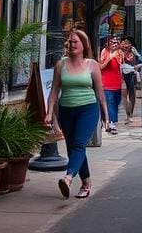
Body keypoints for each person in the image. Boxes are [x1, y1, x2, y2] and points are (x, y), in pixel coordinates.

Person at [45, 29, 109, 199]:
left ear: (83, 45)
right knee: (73, 147)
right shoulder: (61, 65)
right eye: (70, 42)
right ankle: (86, 183)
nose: (71, 45)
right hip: (66, 110)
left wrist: (106, 116)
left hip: (88, 109)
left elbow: (100, 93)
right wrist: (49, 113)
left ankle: (68, 177)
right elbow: (54, 91)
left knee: (79, 144)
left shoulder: (92, 65)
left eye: (75, 42)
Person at [97, 35, 123, 133]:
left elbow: (121, 67)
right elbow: (100, 66)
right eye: (111, 43)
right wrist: (110, 58)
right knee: (110, 103)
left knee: (116, 103)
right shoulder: (104, 52)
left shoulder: (120, 53)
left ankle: (107, 121)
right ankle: (112, 123)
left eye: (115, 43)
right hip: (107, 83)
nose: (113, 45)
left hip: (117, 83)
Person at [120, 37, 142, 127]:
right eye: (124, 43)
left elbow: (141, 61)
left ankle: (131, 114)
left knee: (132, 95)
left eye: (128, 43)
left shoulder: (134, 51)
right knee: (124, 95)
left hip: (132, 75)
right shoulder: (119, 52)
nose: (125, 45)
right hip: (122, 75)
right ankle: (127, 114)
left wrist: (138, 66)